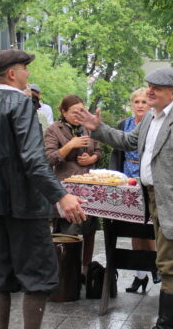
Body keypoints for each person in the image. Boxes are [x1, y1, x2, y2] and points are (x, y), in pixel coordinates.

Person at [75, 68, 173, 329]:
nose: (150, 91)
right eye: (149, 86)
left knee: (170, 264)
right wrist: (97, 128)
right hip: (155, 199)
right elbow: (128, 141)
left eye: (156, 88)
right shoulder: (151, 117)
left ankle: (166, 324)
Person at [0, 49, 86, 329]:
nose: (28, 74)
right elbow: (34, 159)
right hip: (25, 204)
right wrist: (61, 195)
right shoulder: (22, 104)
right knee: (38, 274)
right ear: (11, 74)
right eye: (24, 69)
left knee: (0, 272)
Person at [108, 87, 160, 293]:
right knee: (133, 230)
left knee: (148, 231)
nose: (139, 105)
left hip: (148, 184)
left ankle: (154, 266)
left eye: (144, 102)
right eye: (136, 102)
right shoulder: (124, 124)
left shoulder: (155, 125)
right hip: (127, 183)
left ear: (150, 105)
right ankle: (140, 276)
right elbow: (116, 152)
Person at [44, 94, 101, 277]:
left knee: (90, 229)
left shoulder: (88, 127)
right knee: (70, 230)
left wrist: (92, 158)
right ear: (63, 112)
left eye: (81, 111)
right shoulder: (54, 130)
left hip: (90, 186)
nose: (79, 115)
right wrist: (70, 145)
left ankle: (85, 269)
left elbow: (98, 150)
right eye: (74, 112)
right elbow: (49, 158)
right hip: (66, 189)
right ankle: (67, 272)